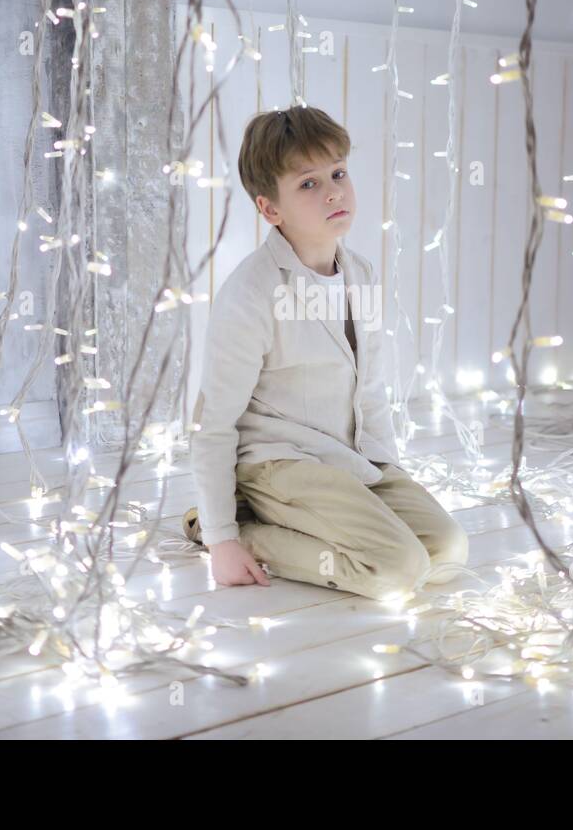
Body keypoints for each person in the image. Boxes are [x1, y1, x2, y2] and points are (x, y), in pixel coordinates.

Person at [184, 105, 469, 600]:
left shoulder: (360, 274)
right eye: (308, 184)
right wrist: (223, 538)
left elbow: (370, 390)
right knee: (396, 570)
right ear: (271, 209)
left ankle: (342, 518)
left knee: (446, 549)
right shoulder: (251, 292)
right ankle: (240, 528)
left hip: (347, 459)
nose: (334, 191)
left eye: (337, 173)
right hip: (278, 462)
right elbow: (212, 424)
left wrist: (388, 472)